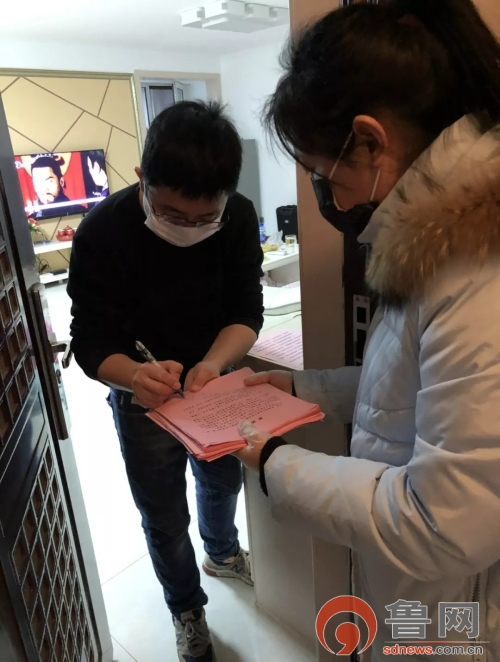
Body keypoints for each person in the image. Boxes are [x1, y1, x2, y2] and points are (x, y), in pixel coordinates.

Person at [234, 1, 500, 660]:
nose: (334, 200)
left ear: (371, 141)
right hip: (421, 599)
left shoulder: (477, 272)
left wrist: (276, 465)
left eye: (325, 176)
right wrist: (305, 389)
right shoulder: (433, 239)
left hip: (458, 622)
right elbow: (414, 387)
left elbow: (442, 525)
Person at [67, 101, 264, 662]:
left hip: (214, 384)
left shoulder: (238, 216)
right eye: (172, 214)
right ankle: (186, 609)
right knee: (164, 516)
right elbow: (89, 340)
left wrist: (214, 364)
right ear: (141, 179)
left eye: (206, 217)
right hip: (142, 398)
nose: (190, 229)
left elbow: (247, 311)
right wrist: (134, 375)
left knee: (223, 481)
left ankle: (222, 553)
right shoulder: (102, 231)